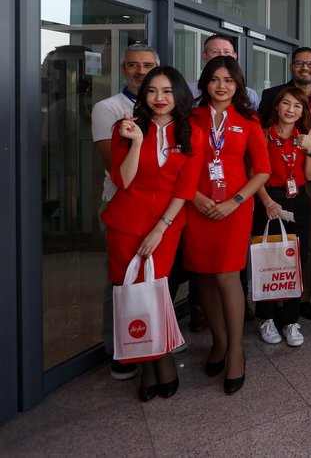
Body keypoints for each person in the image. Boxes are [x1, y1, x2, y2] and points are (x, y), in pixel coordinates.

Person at [102, 67, 203, 401]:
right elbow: (123, 181)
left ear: (179, 95)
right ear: (143, 95)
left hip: (166, 225)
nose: (159, 99)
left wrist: (161, 228)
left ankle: (160, 358)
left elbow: (186, 189)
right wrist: (136, 143)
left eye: (168, 91)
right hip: (125, 224)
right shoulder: (125, 128)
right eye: (152, 91)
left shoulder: (192, 133)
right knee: (130, 290)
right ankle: (150, 364)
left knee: (157, 291)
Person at [184, 56, 271, 395]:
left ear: (238, 85)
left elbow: (262, 169)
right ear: (205, 82)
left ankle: (235, 350)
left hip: (235, 207)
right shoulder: (189, 118)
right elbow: (178, 163)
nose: (221, 85)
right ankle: (217, 343)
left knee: (226, 275)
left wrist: (234, 201)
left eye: (229, 80)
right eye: (215, 79)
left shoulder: (248, 120)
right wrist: (195, 197)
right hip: (196, 205)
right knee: (203, 274)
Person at [91, 43, 159, 381]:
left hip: (158, 206)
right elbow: (116, 168)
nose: (140, 71)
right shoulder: (109, 108)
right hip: (121, 204)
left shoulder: (163, 107)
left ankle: (154, 338)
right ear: (122, 69)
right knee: (120, 279)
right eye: (133, 65)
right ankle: (117, 348)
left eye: (147, 65)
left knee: (157, 275)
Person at [258, 48, 311, 321]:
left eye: (310, 64)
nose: (305, 68)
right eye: (300, 63)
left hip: (306, 174)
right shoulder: (271, 96)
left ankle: (301, 299)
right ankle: (271, 302)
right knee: (273, 244)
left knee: (305, 242)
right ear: (292, 67)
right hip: (271, 181)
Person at [251, 87, 311, 347]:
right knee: (268, 262)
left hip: (298, 201)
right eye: (286, 104)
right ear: (277, 107)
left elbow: (310, 176)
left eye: (297, 106)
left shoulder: (304, 139)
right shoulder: (263, 135)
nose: (291, 110)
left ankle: (291, 320)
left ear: (303, 112)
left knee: (294, 263)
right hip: (267, 199)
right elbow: (253, 172)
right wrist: (267, 201)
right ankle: (266, 318)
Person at [187, 34, 260, 109]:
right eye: (215, 52)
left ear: (234, 56)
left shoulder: (250, 96)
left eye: (226, 52)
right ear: (204, 56)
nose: (221, 55)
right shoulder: (188, 90)